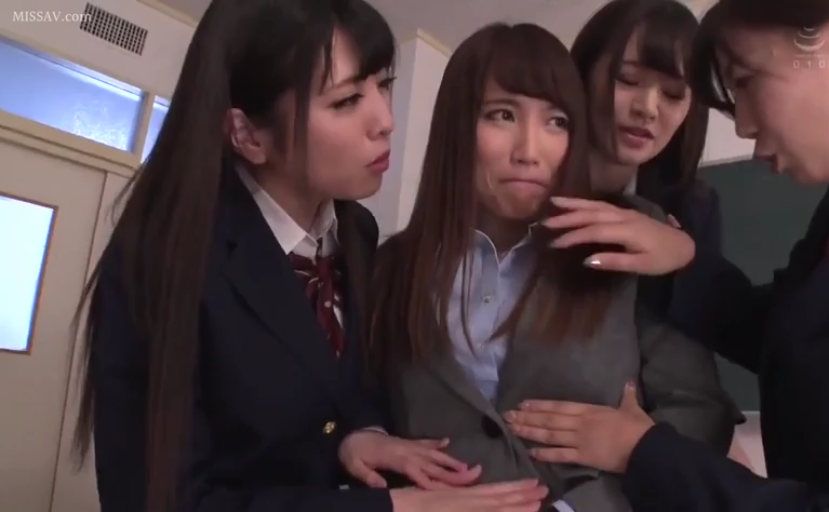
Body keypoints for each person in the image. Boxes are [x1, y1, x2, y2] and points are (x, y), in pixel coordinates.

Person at [70, 0, 550, 511]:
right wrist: (395, 508)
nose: (385, 121)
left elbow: (332, 387)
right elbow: (161, 500)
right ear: (248, 135)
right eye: (347, 101)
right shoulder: (163, 261)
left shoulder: (356, 230)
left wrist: (358, 434)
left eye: (383, 85)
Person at [504, 0, 829, 510]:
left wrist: (643, 452)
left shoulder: (691, 205)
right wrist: (686, 265)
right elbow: (793, 337)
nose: (742, 126)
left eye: (746, 81)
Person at [368, 22, 735, 512]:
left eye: (556, 122)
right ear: (457, 125)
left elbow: (700, 410)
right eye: (502, 115)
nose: (529, 151)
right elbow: (367, 409)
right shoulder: (391, 266)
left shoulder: (628, 237)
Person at [569, 0, 749, 462]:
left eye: (673, 94)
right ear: (584, 73)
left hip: (643, 439)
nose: (647, 108)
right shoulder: (529, 183)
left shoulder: (691, 208)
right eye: (627, 80)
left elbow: (695, 376)